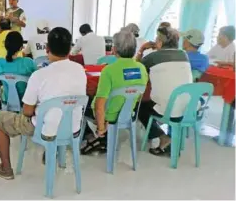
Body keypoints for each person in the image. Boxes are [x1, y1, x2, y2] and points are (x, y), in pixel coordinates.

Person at [0, 27, 86, 179]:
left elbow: (27, 111)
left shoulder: (40, 75)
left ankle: (6, 168)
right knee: (52, 115)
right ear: (70, 48)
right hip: (72, 128)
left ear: (47, 49)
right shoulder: (80, 70)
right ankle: (51, 151)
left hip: (44, 128)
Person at [81, 30, 148, 154]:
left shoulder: (109, 70)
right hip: (127, 113)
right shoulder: (141, 68)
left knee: (82, 103)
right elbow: (138, 96)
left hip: (109, 114)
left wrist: (101, 129)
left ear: (114, 49)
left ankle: (96, 138)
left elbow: (100, 105)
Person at [136, 26, 192, 156]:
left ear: (160, 42)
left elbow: (136, 69)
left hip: (169, 108)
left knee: (140, 107)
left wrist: (142, 49)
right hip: (187, 107)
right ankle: (167, 137)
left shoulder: (153, 57)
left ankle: (162, 137)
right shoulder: (184, 54)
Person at [0, 31, 37, 110]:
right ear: (21, 48)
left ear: (5, 45)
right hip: (27, 103)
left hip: (7, 101)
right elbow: (36, 84)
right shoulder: (29, 63)